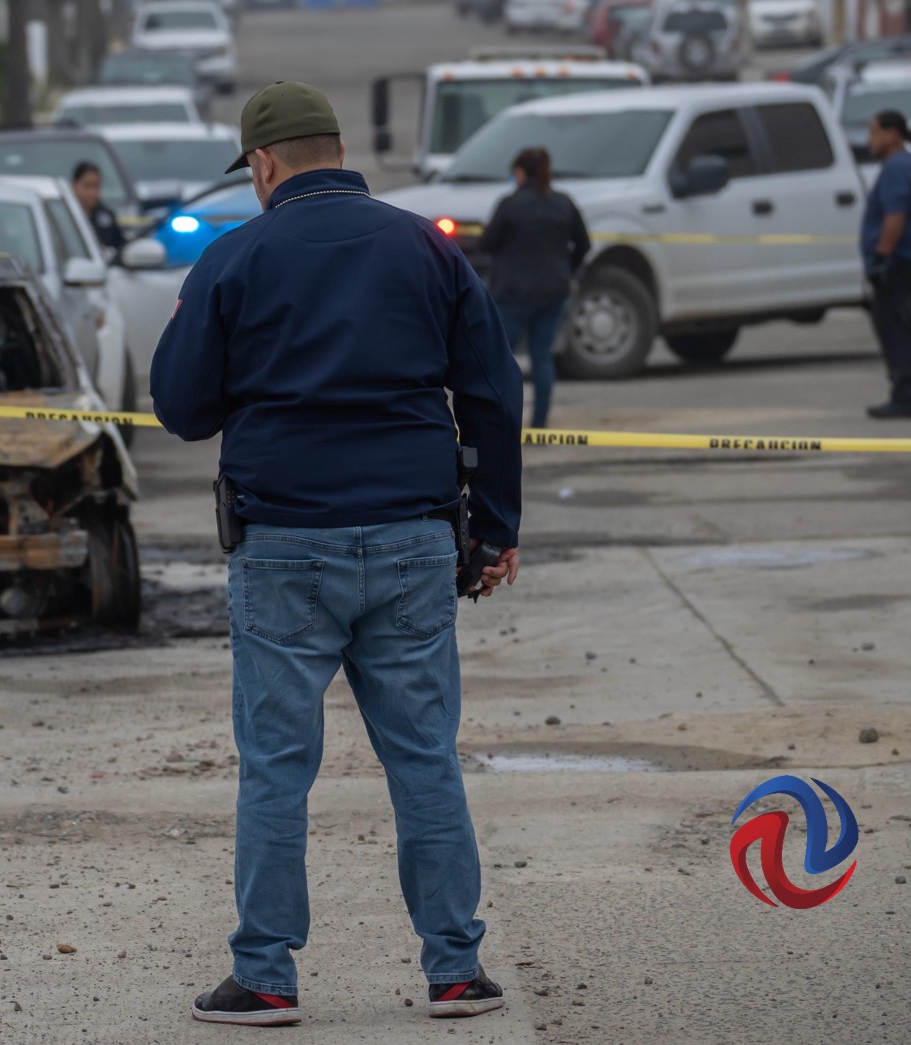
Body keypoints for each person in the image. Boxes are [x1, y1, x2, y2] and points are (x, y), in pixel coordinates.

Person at [150, 81, 523, 1028]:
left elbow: (181, 409)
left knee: (276, 764)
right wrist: (495, 527)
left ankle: (266, 977)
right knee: (423, 760)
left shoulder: (236, 259)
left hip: (282, 546)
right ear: (338, 148)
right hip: (410, 541)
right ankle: (452, 971)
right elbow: (490, 389)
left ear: (264, 165)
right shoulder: (423, 247)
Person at [477, 146, 590, 430]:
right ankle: (540, 423)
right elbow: (584, 244)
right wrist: (567, 271)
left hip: (513, 294)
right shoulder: (564, 202)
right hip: (553, 293)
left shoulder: (511, 204)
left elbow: (487, 243)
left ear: (520, 172)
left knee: (501, 359)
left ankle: (501, 420)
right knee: (542, 357)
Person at [860, 109, 911, 419]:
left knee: (894, 328)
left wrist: (881, 257)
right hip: (907, 260)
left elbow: (895, 216)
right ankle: (904, 393)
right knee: (896, 326)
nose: (869, 139)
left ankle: (908, 396)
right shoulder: (903, 165)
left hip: (898, 263)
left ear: (892, 134)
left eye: (874, 131)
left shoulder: (897, 168)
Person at [71, 161, 125, 256]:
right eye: (87, 186)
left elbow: (121, 247)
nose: (92, 192)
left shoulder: (107, 216)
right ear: (74, 186)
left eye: (96, 186)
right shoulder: (66, 215)